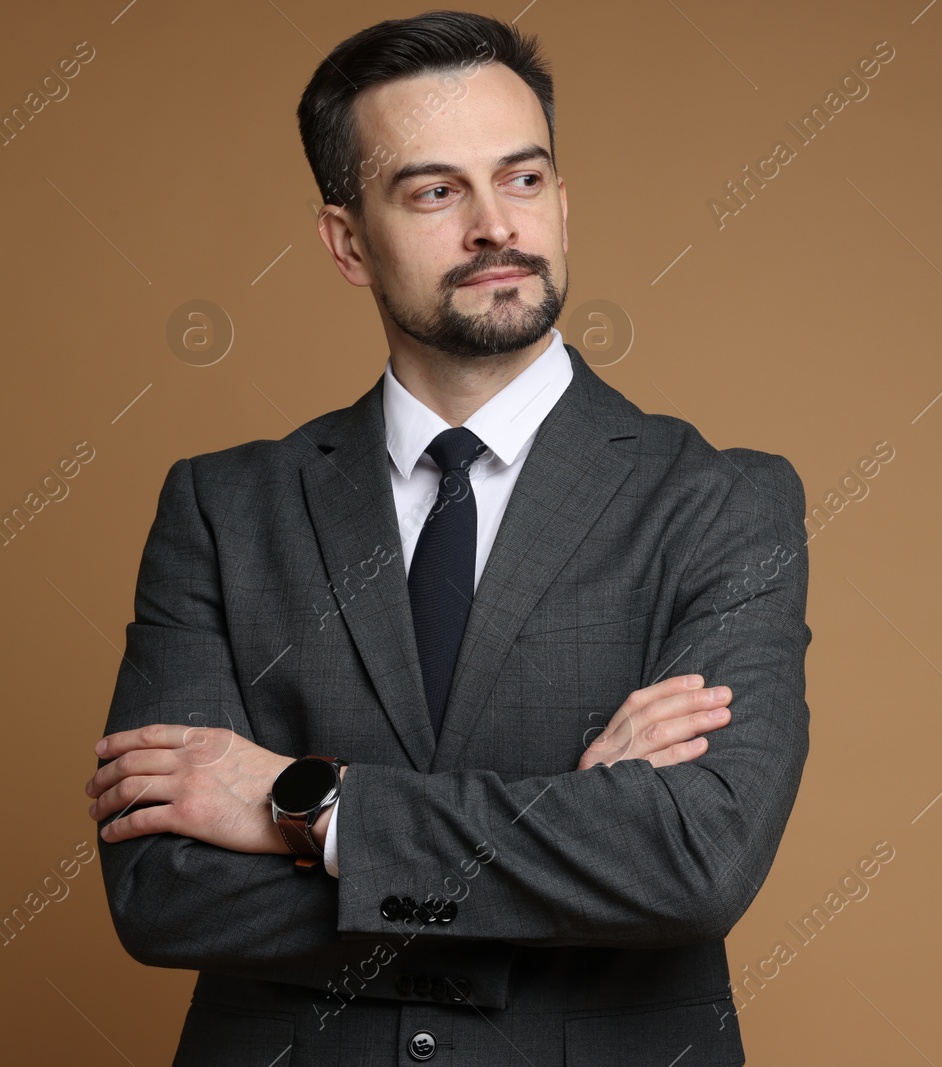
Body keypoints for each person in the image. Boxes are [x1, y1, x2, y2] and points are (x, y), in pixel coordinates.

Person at [85, 10, 810, 1065]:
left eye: (521, 180)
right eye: (434, 190)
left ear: (561, 202)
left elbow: (695, 857)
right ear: (346, 241)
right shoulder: (220, 508)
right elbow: (163, 894)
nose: (492, 227)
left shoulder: (722, 502)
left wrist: (310, 810)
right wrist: (572, 840)